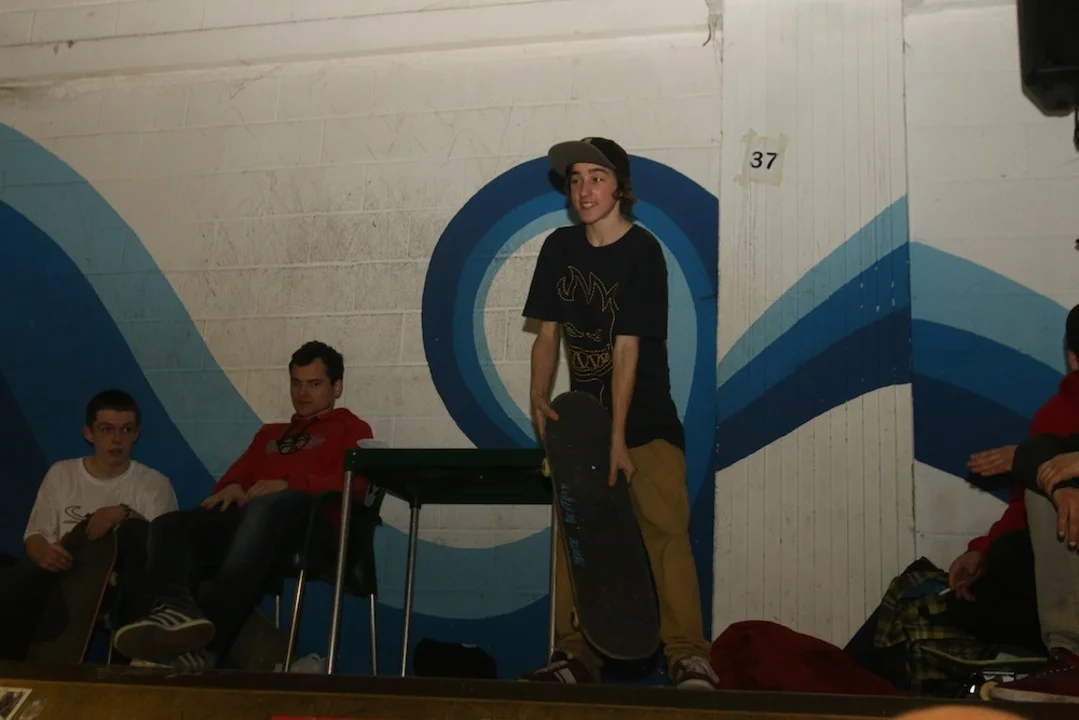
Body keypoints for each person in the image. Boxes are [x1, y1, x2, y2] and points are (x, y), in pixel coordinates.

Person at [519, 136, 717, 689]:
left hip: (645, 426)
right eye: (576, 179)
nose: (584, 190)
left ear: (620, 188)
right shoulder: (559, 247)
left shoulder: (642, 251)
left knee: (664, 534)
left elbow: (627, 349)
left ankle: (687, 655)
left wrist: (619, 439)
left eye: (597, 178)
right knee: (578, 541)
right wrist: (538, 399)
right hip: (583, 428)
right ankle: (574, 657)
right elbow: (547, 335)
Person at [112, 341, 373, 670]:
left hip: (313, 526)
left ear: (337, 387)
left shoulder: (352, 428)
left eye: (314, 384)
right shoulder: (270, 435)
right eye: (296, 383)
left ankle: (207, 646)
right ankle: (175, 610)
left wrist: (290, 484)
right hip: (256, 523)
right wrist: (233, 486)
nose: (302, 392)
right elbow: (235, 478)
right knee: (169, 524)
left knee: (267, 507)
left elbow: (357, 483)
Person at [0, 389, 177, 660]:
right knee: (15, 579)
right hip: (63, 571)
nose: (116, 439)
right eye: (106, 429)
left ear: (136, 434)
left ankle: (132, 660)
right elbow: (35, 536)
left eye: (126, 430)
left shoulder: (154, 484)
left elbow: (162, 555)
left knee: (136, 531)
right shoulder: (62, 473)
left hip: (116, 581)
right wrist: (44, 553)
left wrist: (124, 512)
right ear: (88, 433)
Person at [945, 305, 1079, 651]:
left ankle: (1067, 649)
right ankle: (1063, 654)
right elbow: (1024, 503)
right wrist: (983, 550)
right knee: (978, 591)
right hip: (1064, 556)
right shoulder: (1055, 414)